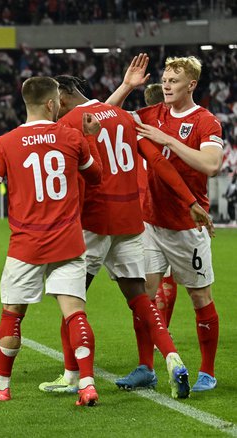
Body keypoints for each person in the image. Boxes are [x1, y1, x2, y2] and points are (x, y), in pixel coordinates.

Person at [38, 75, 212, 399]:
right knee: (140, 299)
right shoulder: (125, 117)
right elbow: (157, 161)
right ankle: (172, 357)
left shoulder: (71, 122)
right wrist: (191, 202)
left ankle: (73, 376)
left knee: (71, 299)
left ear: (61, 98)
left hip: (94, 221)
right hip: (132, 220)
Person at [0, 76, 103, 405]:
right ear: (52, 103)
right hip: (68, 241)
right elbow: (95, 178)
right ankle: (87, 384)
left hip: (27, 244)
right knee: (75, 314)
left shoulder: (6, 142)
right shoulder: (72, 137)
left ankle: (2, 385)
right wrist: (90, 138)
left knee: (12, 314)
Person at [108, 54, 223, 392]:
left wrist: (168, 141)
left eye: (175, 80)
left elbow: (212, 164)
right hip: (151, 224)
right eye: (166, 79)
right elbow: (104, 115)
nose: (168, 85)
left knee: (200, 297)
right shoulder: (152, 114)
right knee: (145, 295)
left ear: (192, 85)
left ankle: (208, 371)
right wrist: (127, 86)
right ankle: (146, 366)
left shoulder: (206, 121)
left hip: (188, 226)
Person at [143, 83, 179, 329]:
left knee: (151, 281)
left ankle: (156, 333)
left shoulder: (143, 132)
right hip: (180, 209)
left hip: (149, 211)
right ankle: (164, 328)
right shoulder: (177, 132)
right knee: (170, 277)